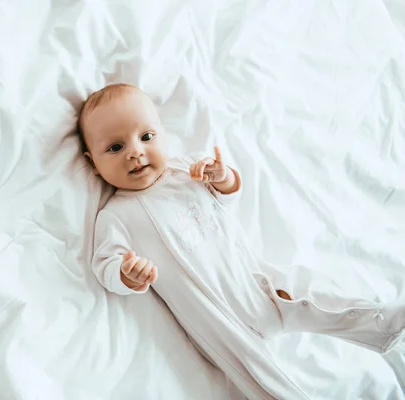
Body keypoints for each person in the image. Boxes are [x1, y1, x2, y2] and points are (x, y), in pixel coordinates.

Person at [78, 83, 405, 399]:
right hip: (218, 323)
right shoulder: (115, 215)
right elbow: (105, 264)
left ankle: (381, 323)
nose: (135, 152)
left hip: (259, 284)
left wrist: (224, 177)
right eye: (115, 147)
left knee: (313, 294)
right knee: (262, 381)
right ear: (93, 164)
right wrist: (126, 273)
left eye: (146, 137)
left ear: (163, 134)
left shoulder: (186, 171)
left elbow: (228, 198)